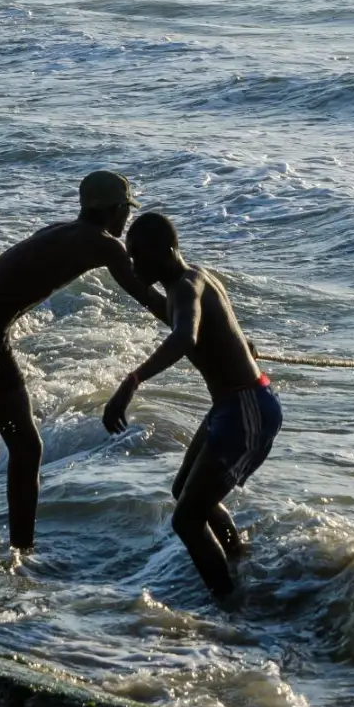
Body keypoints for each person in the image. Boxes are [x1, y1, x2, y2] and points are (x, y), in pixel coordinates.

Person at [0, 172, 170, 552]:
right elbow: (148, 298)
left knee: (27, 448)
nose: (126, 219)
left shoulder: (65, 230)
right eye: (126, 210)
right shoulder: (104, 245)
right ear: (114, 210)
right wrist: (206, 328)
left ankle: (22, 551)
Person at [103, 212, 280, 602]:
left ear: (165, 251)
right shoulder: (192, 280)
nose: (134, 264)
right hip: (233, 406)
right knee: (184, 489)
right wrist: (118, 270)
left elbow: (185, 335)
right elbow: (170, 312)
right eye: (129, 257)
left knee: (187, 518)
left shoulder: (186, 286)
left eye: (138, 256)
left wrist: (131, 381)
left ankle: (230, 606)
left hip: (246, 408)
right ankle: (238, 559)